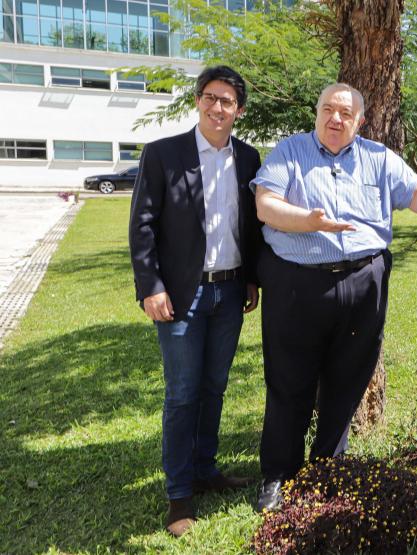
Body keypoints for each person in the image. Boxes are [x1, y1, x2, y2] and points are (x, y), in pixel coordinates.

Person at [251, 83, 417, 512]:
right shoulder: (289, 152)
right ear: (316, 113)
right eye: (328, 109)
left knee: (346, 381)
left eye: (345, 113)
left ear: (360, 121)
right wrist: (307, 221)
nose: (335, 119)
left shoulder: (379, 158)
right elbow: (266, 205)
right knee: (289, 382)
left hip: (364, 283)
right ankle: (279, 476)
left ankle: (327, 470)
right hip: (298, 284)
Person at [128, 66, 262, 537]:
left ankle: (206, 471)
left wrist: (251, 279)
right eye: (210, 97)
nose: (217, 107)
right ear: (198, 101)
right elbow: (142, 224)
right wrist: (151, 286)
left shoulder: (248, 158)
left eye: (227, 100)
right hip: (181, 293)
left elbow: (251, 226)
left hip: (230, 291)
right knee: (183, 394)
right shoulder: (164, 154)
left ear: (239, 111)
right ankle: (179, 494)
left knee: (215, 386)